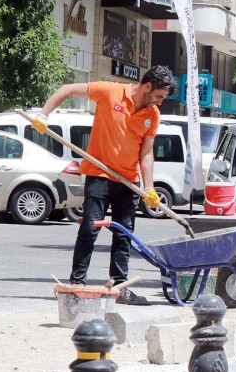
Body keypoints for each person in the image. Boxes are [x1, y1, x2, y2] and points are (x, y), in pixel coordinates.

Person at [32, 67, 176, 304]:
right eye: (159, 96)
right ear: (147, 86)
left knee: (123, 235)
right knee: (90, 228)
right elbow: (67, 90)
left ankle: (120, 287)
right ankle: (77, 284)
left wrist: (149, 187)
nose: (160, 102)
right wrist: (44, 115)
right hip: (99, 174)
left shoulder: (153, 115)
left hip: (129, 181)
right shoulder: (110, 92)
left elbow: (146, 153)